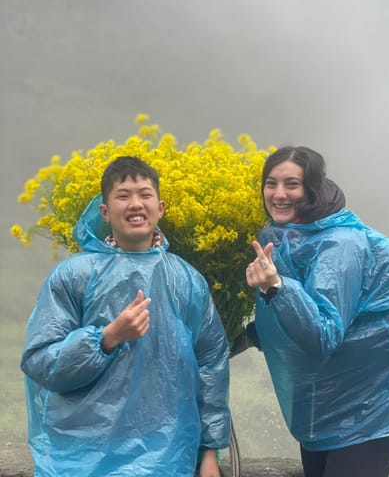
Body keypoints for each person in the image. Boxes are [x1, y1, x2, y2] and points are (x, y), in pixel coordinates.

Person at [235, 146, 389, 477]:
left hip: (367, 408)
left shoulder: (339, 244)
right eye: (271, 183)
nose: (279, 194)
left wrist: (276, 287)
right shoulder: (284, 237)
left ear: (311, 189)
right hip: (323, 401)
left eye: (292, 185)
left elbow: (322, 333)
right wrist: (240, 338)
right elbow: (288, 317)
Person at [21, 156, 231, 477]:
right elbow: (39, 361)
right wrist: (106, 339)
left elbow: (211, 367)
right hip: (82, 458)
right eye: (123, 196)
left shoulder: (186, 281)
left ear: (160, 208)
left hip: (168, 455)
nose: (135, 204)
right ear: (105, 212)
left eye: (144, 195)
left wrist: (209, 454)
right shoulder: (75, 275)